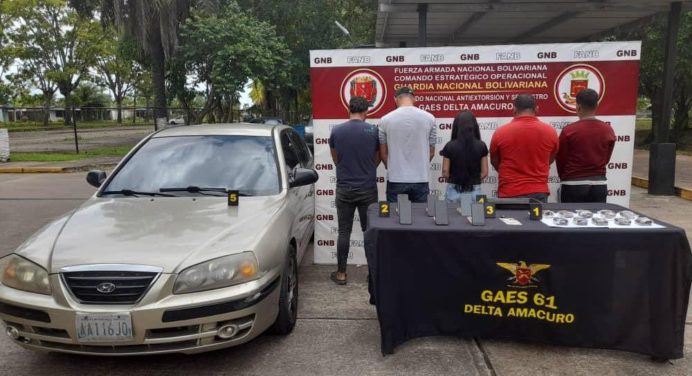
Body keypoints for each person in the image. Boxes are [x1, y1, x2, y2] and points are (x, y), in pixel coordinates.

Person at [329, 96, 380, 285]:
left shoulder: (337, 131)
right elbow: (377, 158)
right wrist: (367, 170)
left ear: (348, 110)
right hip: (367, 188)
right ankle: (373, 274)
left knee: (344, 231)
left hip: (344, 188)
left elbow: (336, 159)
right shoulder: (373, 131)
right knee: (369, 232)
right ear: (366, 111)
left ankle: (341, 273)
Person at [489, 94, 558, 202]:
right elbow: (551, 159)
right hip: (538, 191)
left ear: (514, 110)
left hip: (509, 191)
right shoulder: (551, 132)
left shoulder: (500, 132)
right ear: (537, 109)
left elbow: (494, 161)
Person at [556, 88, 616, 202]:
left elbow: (561, 159)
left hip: (572, 183)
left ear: (578, 107)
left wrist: (566, 177)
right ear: (596, 106)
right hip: (599, 184)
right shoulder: (608, 130)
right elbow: (606, 159)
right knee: (596, 218)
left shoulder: (569, 131)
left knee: (569, 219)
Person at [378, 86, 437, 203]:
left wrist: (391, 167)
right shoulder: (430, 118)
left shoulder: (385, 120)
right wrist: (420, 166)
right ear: (414, 99)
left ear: (396, 99)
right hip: (421, 178)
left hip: (396, 179)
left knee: (395, 219)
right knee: (420, 219)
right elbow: (431, 152)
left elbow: (383, 153)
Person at [441, 111, 488, 203]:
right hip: (475, 190)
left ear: (456, 126)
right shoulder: (481, 145)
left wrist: (455, 179)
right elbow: (485, 172)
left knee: (451, 216)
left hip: (454, 189)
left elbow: (445, 172)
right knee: (476, 216)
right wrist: (472, 180)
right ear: (474, 126)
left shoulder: (450, 146)